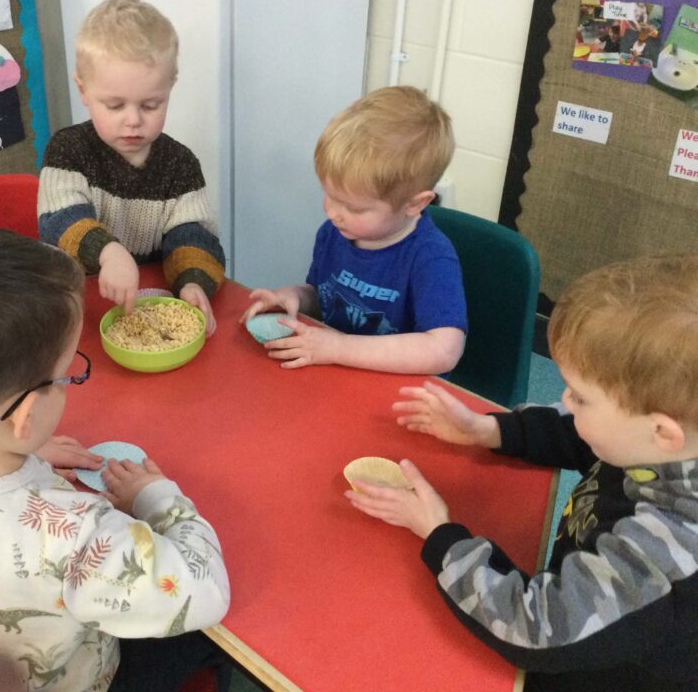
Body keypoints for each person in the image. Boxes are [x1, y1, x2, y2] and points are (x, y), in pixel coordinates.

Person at [0, 227, 231, 691]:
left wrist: (23, 450)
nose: (68, 381)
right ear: (26, 414)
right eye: (65, 374)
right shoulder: (78, 535)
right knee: (210, 637)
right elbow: (207, 592)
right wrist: (155, 499)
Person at [347, 253, 698, 691]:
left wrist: (439, 533)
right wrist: (487, 429)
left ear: (662, 431)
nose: (564, 401)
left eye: (581, 397)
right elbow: (581, 436)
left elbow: (534, 626)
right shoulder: (661, 443)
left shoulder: (665, 558)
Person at [240, 86, 467, 374]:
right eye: (330, 195)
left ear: (415, 204)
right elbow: (325, 298)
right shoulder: (334, 232)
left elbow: (443, 351)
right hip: (335, 375)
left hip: (396, 390)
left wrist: (338, 347)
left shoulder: (431, 257)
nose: (332, 212)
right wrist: (296, 297)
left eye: (354, 208)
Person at [37, 0, 225, 335]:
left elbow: (193, 235)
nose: (133, 121)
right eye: (114, 105)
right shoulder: (68, 150)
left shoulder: (180, 165)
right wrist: (108, 252)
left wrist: (192, 283)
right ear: (83, 90)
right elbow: (60, 220)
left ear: (169, 90)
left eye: (151, 105)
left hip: (151, 306)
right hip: (77, 309)